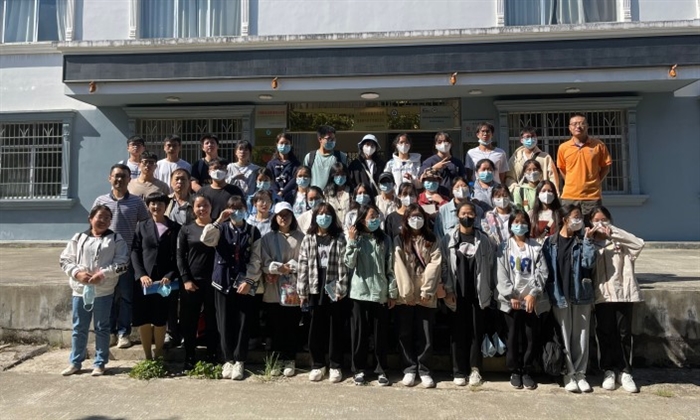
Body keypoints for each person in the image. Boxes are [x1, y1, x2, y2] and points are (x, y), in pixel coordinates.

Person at [59, 205, 129, 376]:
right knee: (79, 327)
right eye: (99, 217)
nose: (103, 220)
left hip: (103, 291)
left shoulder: (115, 239)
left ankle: (100, 363)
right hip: (80, 290)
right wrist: (77, 273)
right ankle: (75, 362)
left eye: (107, 218)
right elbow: (65, 260)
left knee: (102, 327)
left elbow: (123, 263)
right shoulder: (79, 238)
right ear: (90, 218)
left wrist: (103, 274)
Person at [201, 195, 263, 381]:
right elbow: (206, 239)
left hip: (244, 283)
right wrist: (218, 220)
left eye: (240, 208)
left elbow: (256, 258)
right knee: (224, 321)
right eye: (233, 208)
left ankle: (240, 360)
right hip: (222, 282)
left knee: (243, 323)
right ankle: (227, 359)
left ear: (246, 209)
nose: (237, 212)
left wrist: (249, 280)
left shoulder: (253, 231)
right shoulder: (220, 228)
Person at [92, 164, 149, 349]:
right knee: (107, 294)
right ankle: (109, 332)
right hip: (105, 257)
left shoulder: (137, 202)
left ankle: (124, 333)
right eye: (116, 176)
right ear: (110, 178)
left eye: (123, 176)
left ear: (129, 179)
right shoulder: (100, 201)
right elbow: (93, 227)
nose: (119, 179)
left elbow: (145, 226)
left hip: (127, 257)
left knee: (125, 296)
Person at [542, 204, 597, 393]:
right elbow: (546, 270)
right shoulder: (550, 243)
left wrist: (588, 241)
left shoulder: (582, 241)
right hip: (559, 295)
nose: (579, 220)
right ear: (565, 219)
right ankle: (568, 373)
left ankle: (580, 373)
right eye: (575, 216)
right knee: (564, 336)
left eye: (580, 217)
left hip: (581, 294)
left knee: (581, 336)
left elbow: (589, 263)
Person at [589, 206, 644, 393]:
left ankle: (625, 371)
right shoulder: (591, 244)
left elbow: (639, 244)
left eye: (604, 219)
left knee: (623, 334)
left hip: (623, 294)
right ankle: (608, 370)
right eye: (596, 220)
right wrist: (589, 239)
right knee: (605, 333)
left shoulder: (620, 242)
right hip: (602, 296)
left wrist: (613, 232)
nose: (600, 224)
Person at [442, 201, 496, 387]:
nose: (467, 216)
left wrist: (488, 289)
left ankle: (475, 369)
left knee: (476, 332)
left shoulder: (483, 239)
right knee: (457, 332)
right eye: (463, 213)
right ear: (457, 215)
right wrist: (448, 289)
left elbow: (491, 264)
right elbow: (443, 265)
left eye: (470, 213)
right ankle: (458, 370)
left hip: (477, 294)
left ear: (476, 216)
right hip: (456, 293)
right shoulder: (448, 238)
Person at [495, 210, 550, 390]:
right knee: (513, 338)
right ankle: (515, 371)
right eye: (516, 222)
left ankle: (527, 370)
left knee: (530, 337)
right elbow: (501, 273)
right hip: (511, 301)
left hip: (531, 302)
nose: (520, 225)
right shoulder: (504, 247)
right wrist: (511, 295)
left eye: (523, 222)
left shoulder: (536, 247)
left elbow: (542, 271)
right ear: (510, 225)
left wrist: (533, 293)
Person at [345, 204, 397, 386]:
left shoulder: (385, 239)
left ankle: (381, 369)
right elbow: (349, 264)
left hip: (380, 292)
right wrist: (352, 241)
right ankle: (359, 369)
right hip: (359, 292)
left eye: (376, 216)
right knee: (359, 333)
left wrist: (392, 292)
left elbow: (390, 267)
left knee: (380, 334)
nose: (374, 219)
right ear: (362, 219)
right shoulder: (356, 238)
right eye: (371, 216)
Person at [297, 203, 349, 383]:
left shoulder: (339, 237)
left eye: (328, 214)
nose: (324, 218)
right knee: (315, 326)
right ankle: (317, 364)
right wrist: (302, 291)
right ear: (315, 217)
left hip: (333, 283)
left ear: (333, 218)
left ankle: (335, 365)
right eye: (320, 214)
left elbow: (344, 264)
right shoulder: (309, 238)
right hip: (314, 283)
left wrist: (341, 287)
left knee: (335, 325)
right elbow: (303, 264)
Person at [393, 205, 442, 388]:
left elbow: (435, 264)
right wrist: (407, 292)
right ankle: (409, 368)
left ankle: (425, 370)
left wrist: (427, 290)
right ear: (406, 219)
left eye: (419, 216)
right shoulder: (399, 239)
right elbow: (398, 265)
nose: (416, 220)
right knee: (405, 332)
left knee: (425, 334)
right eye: (412, 217)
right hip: (405, 295)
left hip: (426, 295)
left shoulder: (432, 239)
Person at [131, 192, 181, 360]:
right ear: (148, 206)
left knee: (160, 317)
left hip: (164, 281)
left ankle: (158, 353)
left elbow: (178, 255)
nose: (156, 206)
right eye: (152, 203)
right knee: (144, 318)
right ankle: (147, 356)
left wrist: (170, 275)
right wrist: (141, 275)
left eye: (160, 203)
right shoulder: (141, 226)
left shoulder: (175, 228)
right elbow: (135, 251)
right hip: (145, 280)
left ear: (166, 206)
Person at [260, 202, 305, 377]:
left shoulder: (301, 238)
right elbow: (263, 261)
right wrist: (276, 268)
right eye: (280, 215)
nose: (283, 218)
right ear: (275, 217)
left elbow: (305, 261)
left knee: (291, 325)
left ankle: (290, 359)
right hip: (273, 288)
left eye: (287, 214)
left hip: (293, 288)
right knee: (275, 326)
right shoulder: (267, 238)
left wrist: (290, 267)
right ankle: (276, 359)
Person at [176, 195, 219, 369]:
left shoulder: (219, 226)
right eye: (198, 206)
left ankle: (212, 354)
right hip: (192, 282)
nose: (202, 209)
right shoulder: (186, 229)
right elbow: (180, 256)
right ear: (193, 209)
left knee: (212, 319)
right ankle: (189, 356)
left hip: (214, 282)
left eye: (205, 205)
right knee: (189, 320)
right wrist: (186, 279)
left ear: (211, 207)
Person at [557, 113, 612, 216]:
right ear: (569, 128)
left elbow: (606, 167)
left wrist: (595, 181)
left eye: (582, 123)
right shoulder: (563, 147)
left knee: (592, 224)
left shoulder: (599, 145)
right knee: (570, 225)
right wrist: (571, 181)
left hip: (592, 197)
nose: (578, 126)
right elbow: (562, 168)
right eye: (574, 124)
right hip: (569, 196)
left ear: (587, 126)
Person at [505, 127, 559, 193]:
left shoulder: (545, 157)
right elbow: (509, 177)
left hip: (541, 193)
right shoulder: (515, 158)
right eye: (527, 137)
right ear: (521, 140)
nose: (530, 139)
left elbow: (553, 177)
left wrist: (554, 193)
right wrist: (515, 188)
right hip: (522, 194)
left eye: (533, 136)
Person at [303, 125, 348, 189]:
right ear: (320, 139)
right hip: (315, 194)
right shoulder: (310, 157)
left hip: (333, 194)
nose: (332, 141)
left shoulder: (341, 156)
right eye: (329, 139)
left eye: (333, 139)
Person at [267, 133, 301, 203]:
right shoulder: (271, 164)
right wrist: (276, 192)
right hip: (274, 197)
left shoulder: (296, 163)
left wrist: (283, 192)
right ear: (277, 144)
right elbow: (270, 179)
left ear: (291, 145)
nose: (284, 145)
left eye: (286, 143)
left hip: (291, 197)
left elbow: (295, 179)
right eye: (281, 143)